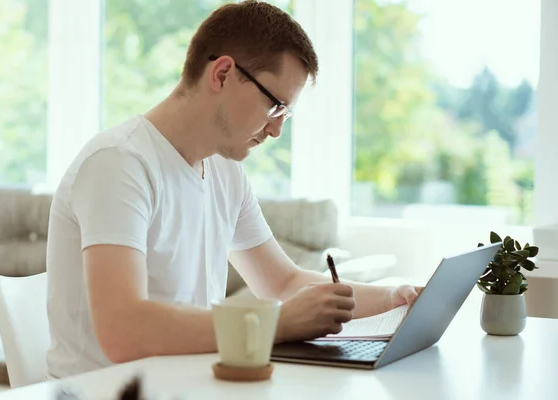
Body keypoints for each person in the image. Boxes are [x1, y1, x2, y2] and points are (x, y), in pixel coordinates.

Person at [44, 0, 420, 379]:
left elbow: (282, 283)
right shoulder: (119, 163)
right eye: (274, 106)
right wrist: (276, 323)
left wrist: (394, 298)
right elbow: (123, 331)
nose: (276, 130)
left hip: (188, 386)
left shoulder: (225, 172)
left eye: (285, 115)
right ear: (222, 74)